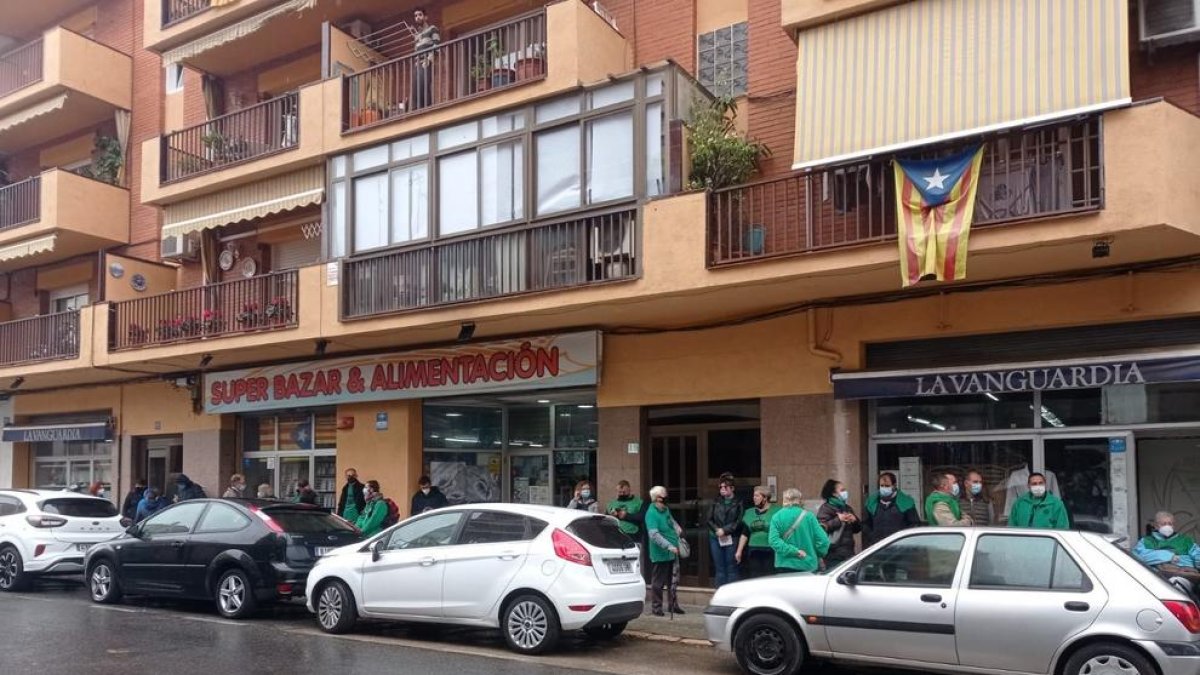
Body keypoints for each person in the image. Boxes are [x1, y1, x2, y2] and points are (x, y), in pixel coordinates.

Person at [768, 488, 830, 574]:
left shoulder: (776, 517)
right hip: (807, 564)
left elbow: (773, 541)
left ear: (784, 499)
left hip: (784, 564)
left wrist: (794, 551)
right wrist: (817, 553)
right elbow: (823, 541)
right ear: (799, 500)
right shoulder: (809, 516)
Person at [645, 485, 684, 616]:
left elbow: (671, 521)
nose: (666, 497)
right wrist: (668, 546)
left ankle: (673, 605)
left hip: (672, 551)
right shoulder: (651, 514)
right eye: (664, 495)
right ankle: (657, 607)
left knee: (673, 580)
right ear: (657, 498)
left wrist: (677, 527)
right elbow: (654, 535)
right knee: (658, 582)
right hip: (661, 552)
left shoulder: (665, 509)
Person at [862, 472, 920, 547]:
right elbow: (865, 524)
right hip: (877, 547)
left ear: (894, 485)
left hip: (900, 547)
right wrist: (872, 537)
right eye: (882, 486)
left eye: (887, 486)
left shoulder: (906, 502)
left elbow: (914, 524)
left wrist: (903, 540)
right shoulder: (871, 502)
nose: (884, 488)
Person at [706, 475, 744, 587]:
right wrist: (717, 530)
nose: (722, 489)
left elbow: (739, 521)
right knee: (719, 567)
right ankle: (720, 592)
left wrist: (725, 530)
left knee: (731, 566)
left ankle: (732, 594)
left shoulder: (739, 502)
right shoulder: (715, 501)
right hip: (715, 536)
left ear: (732, 488)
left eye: (725, 487)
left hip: (732, 537)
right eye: (721, 487)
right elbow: (708, 519)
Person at [735, 486, 780, 578]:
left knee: (769, 576)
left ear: (765, 498)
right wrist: (739, 551)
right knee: (755, 576)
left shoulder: (777, 512)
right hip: (754, 549)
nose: (754, 498)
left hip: (770, 549)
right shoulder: (749, 512)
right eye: (753, 496)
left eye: (757, 496)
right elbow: (745, 533)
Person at [816, 478, 862, 567]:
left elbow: (857, 529)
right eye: (842, 490)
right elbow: (821, 529)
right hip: (833, 554)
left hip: (848, 553)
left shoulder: (847, 508)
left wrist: (855, 520)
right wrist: (838, 520)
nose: (845, 492)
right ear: (834, 493)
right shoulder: (825, 509)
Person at [1135, 512, 1200, 570]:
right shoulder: (1146, 541)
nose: (1167, 526)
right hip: (1155, 575)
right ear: (1156, 526)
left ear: (1173, 526)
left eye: (1170, 524)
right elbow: (1138, 557)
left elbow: (1197, 557)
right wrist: (1170, 557)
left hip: (1183, 575)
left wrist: (1156, 559)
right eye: (1163, 524)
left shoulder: (1185, 540)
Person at [410, 7, 440, 110]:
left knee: (425, 84)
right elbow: (416, 50)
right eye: (416, 16)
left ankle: (427, 108)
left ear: (425, 17)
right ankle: (417, 109)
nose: (417, 17)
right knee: (416, 87)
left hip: (426, 62)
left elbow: (436, 46)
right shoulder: (417, 35)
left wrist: (429, 59)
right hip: (417, 63)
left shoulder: (432, 29)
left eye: (420, 15)